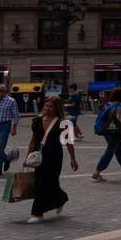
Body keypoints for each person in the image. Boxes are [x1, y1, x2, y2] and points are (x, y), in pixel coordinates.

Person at [26, 96, 78, 224]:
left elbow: (69, 143)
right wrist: (27, 156)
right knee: (43, 182)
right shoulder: (37, 120)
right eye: (46, 105)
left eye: (51, 106)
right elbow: (33, 140)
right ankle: (61, 198)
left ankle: (37, 213)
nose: (48, 108)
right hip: (39, 156)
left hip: (54, 156)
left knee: (45, 182)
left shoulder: (64, 123)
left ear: (57, 108)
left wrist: (73, 159)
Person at [93, 87, 121, 181]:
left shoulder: (109, 104)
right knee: (110, 151)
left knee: (119, 150)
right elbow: (118, 118)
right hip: (114, 131)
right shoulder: (119, 106)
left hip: (107, 130)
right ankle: (97, 172)